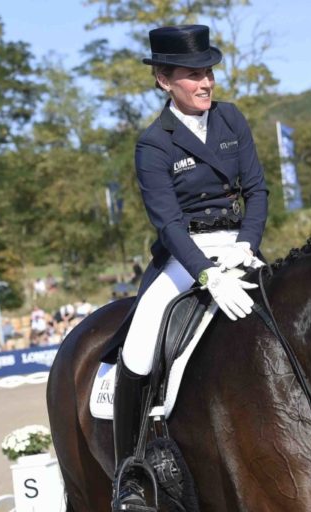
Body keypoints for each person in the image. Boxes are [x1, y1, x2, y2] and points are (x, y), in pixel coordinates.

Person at [103, 25, 268, 511]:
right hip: (186, 257)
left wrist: (246, 245)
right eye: (194, 75)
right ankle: (130, 475)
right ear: (163, 81)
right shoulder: (154, 143)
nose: (206, 82)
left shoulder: (232, 119)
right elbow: (168, 223)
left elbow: (257, 190)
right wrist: (207, 274)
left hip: (238, 247)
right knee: (137, 348)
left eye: (209, 72)